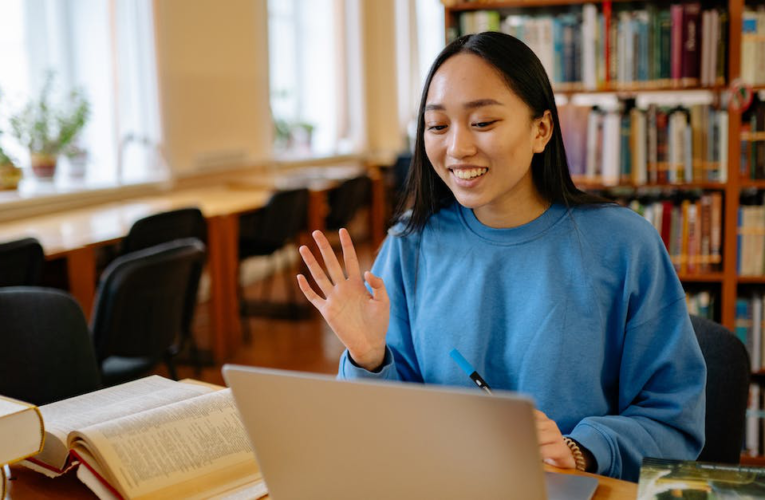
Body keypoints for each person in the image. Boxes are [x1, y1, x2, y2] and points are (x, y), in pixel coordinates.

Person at [296, 31, 705, 482]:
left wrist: (580, 448)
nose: (457, 148)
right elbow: (382, 433)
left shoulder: (625, 245)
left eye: (483, 122)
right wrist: (369, 358)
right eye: (437, 126)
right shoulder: (409, 244)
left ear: (541, 130)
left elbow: (673, 421)